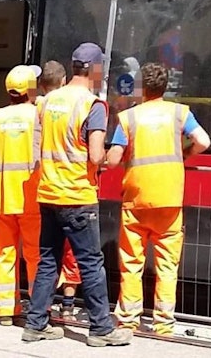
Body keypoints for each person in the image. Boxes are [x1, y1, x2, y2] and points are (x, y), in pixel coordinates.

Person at [22, 43, 131, 347]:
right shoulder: (92, 105)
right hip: (77, 196)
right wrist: (110, 154)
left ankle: (35, 324)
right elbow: (96, 156)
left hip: (48, 193)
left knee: (47, 261)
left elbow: (39, 146)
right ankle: (100, 329)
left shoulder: (46, 102)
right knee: (91, 263)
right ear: (96, 70)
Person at [106, 62, 210, 335]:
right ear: (165, 87)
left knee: (131, 263)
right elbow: (203, 141)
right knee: (166, 265)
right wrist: (184, 154)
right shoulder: (179, 113)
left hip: (136, 200)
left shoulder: (129, 118)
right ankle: (163, 323)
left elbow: (114, 158)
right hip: (169, 199)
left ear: (142, 87)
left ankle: (129, 319)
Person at [0, 65, 42, 325]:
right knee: (35, 255)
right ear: (30, 89)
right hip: (32, 198)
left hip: (2, 199)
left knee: (5, 254)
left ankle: (6, 310)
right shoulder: (39, 116)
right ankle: (39, 311)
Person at [38, 60, 82, 318]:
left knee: (47, 256)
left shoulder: (41, 107)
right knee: (74, 253)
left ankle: (39, 310)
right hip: (75, 190)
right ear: (64, 80)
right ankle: (68, 306)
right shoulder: (80, 103)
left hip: (46, 190)